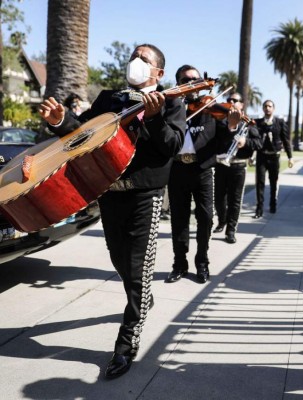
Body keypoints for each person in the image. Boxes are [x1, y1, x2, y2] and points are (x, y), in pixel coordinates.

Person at [39, 44, 186, 379]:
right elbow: (82, 134)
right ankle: (142, 298)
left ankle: (126, 342)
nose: (135, 62)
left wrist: (154, 117)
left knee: (137, 270)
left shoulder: (172, 100)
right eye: (133, 56)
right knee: (120, 261)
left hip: (144, 196)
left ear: (158, 73)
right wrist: (61, 121)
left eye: (144, 59)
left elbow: (172, 146)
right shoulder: (108, 98)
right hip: (110, 195)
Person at [165, 65, 240, 284]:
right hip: (177, 169)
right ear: (178, 83)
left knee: (206, 218)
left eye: (196, 79)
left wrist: (232, 126)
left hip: (203, 170)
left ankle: (202, 262)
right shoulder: (170, 107)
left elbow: (222, 140)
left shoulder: (210, 108)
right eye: (186, 80)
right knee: (178, 219)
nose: (193, 83)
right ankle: (179, 263)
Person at [213, 92, 262, 243]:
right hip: (221, 164)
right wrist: (230, 127)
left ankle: (231, 230)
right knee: (219, 199)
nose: (231, 101)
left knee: (235, 200)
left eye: (235, 100)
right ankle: (222, 221)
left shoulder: (247, 123)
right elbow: (215, 141)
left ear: (242, 105)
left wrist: (245, 141)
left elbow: (258, 143)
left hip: (238, 166)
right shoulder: (220, 121)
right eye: (229, 100)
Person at [253, 100, 293, 218]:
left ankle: (273, 204)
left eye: (270, 106)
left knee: (273, 182)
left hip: (274, 156)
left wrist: (290, 157)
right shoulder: (258, 123)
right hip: (261, 156)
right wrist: (252, 156)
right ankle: (259, 209)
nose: (267, 108)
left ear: (273, 109)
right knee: (259, 183)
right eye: (265, 106)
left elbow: (286, 141)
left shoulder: (279, 122)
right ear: (263, 108)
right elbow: (253, 139)